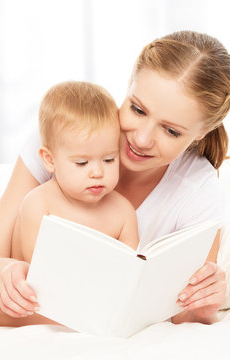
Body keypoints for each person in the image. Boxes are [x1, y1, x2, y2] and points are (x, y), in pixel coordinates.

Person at [0, 30, 230, 326]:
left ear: (201, 132)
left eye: (171, 130)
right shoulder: (70, 131)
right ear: (128, 87)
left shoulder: (197, 192)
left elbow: (183, 309)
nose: (143, 139)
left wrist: (205, 304)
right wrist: (4, 270)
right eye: (137, 109)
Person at [11, 80, 139, 265]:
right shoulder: (39, 205)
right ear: (49, 160)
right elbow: (38, 273)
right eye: (82, 163)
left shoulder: (123, 213)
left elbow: (130, 273)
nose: (97, 172)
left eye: (109, 160)